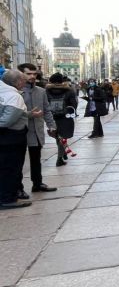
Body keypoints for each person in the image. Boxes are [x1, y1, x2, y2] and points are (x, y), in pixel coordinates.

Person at [17, 63, 57, 195]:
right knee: (18, 162)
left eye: (34, 74)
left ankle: (37, 183)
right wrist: (29, 114)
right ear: (21, 74)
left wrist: (52, 126)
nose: (32, 76)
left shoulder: (41, 91)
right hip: (20, 131)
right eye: (29, 74)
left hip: (36, 131)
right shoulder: (16, 92)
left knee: (36, 159)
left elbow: (47, 110)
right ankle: (18, 188)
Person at [0, 70, 32, 208]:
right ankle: (8, 199)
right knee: (11, 168)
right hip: (11, 138)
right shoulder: (14, 96)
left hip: (6, 138)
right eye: (24, 81)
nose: (25, 84)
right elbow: (7, 121)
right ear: (17, 81)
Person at [45, 72, 78, 167]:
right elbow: (74, 105)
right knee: (63, 137)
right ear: (62, 81)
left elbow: (45, 104)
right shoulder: (69, 90)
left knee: (58, 136)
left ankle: (63, 153)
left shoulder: (46, 91)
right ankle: (59, 158)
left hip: (52, 117)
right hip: (65, 117)